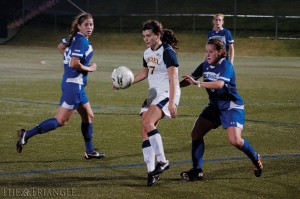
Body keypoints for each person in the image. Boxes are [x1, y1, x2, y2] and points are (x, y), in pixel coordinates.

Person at [16, 12, 105, 160]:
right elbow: (74, 63)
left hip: (74, 84)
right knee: (61, 120)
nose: (89, 27)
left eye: (91, 24)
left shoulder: (74, 38)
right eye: (86, 25)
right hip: (74, 86)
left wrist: (69, 56)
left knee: (88, 116)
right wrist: (91, 68)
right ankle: (27, 134)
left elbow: (60, 47)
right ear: (79, 26)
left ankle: (89, 151)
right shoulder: (82, 41)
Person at [179, 38, 263, 181]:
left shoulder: (226, 65)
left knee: (235, 140)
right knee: (196, 133)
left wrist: (198, 83)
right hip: (215, 106)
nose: (208, 55)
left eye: (211, 52)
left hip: (231, 106)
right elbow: (189, 79)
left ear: (219, 52)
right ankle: (197, 170)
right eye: (206, 52)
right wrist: (173, 86)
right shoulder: (205, 65)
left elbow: (219, 84)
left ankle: (256, 158)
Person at [118, 20, 181, 186]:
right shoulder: (147, 53)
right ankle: (151, 172)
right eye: (144, 36)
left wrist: (172, 102)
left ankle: (162, 161)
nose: (146, 39)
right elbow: (145, 72)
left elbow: (174, 79)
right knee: (145, 130)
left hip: (167, 92)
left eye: (149, 35)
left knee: (148, 122)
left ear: (157, 35)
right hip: (153, 94)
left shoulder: (167, 52)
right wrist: (125, 82)